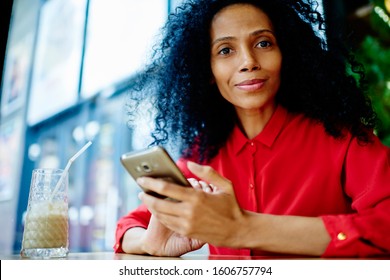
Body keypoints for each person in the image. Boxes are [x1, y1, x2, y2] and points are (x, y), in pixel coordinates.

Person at [115, 0, 390, 257]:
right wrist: (150, 243)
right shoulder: (203, 154)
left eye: (263, 43)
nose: (248, 61)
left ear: (286, 53)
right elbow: (130, 225)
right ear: (207, 72)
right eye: (225, 50)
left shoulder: (341, 137)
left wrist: (243, 228)